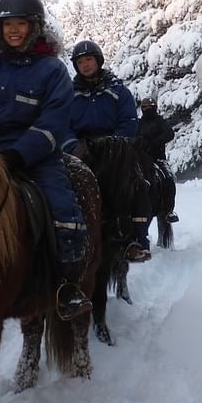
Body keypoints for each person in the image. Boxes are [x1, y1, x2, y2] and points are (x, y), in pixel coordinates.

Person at [0, 0, 92, 321]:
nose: (14, 30)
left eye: (21, 24)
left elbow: (54, 122)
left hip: (37, 158)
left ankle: (67, 287)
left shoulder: (52, 70)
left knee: (62, 210)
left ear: (35, 27)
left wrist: (18, 155)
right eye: (8, 23)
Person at [63, 40, 151, 262]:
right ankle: (68, 237)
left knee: (138, 182)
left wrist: (114, 144)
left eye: (89, 60)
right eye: (80, 62)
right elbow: (62, 125)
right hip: (82, 148)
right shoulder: (69, 93)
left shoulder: (118, 90)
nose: (85, 65)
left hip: (114, 148)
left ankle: (135, 240)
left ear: (98, 60)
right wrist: (73, 146)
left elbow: (130, 120)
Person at [137, 97, 179, 223]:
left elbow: (169, 134)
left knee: (169, 179)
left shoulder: (160, 121)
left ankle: (169, 210)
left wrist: (153, 143)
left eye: (149, 107)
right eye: (144, 107)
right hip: (139, 157)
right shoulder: (138, 123)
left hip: (158, 158)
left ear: (154, 108)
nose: (146, 109)